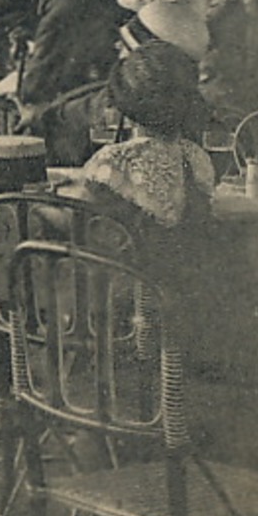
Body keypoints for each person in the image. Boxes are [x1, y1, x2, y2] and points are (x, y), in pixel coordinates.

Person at [72, 42, 215, 346]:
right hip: (181, 300)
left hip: (122, 305)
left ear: (127, 105)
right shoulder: (198, 159)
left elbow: (80, 220)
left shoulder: (112, 161)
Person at [20, 0, 210, 166]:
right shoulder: (197, 106)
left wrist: (36, 117)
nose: (117, 46)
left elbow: (69, 120)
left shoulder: (125, 96)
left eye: (125, 45)